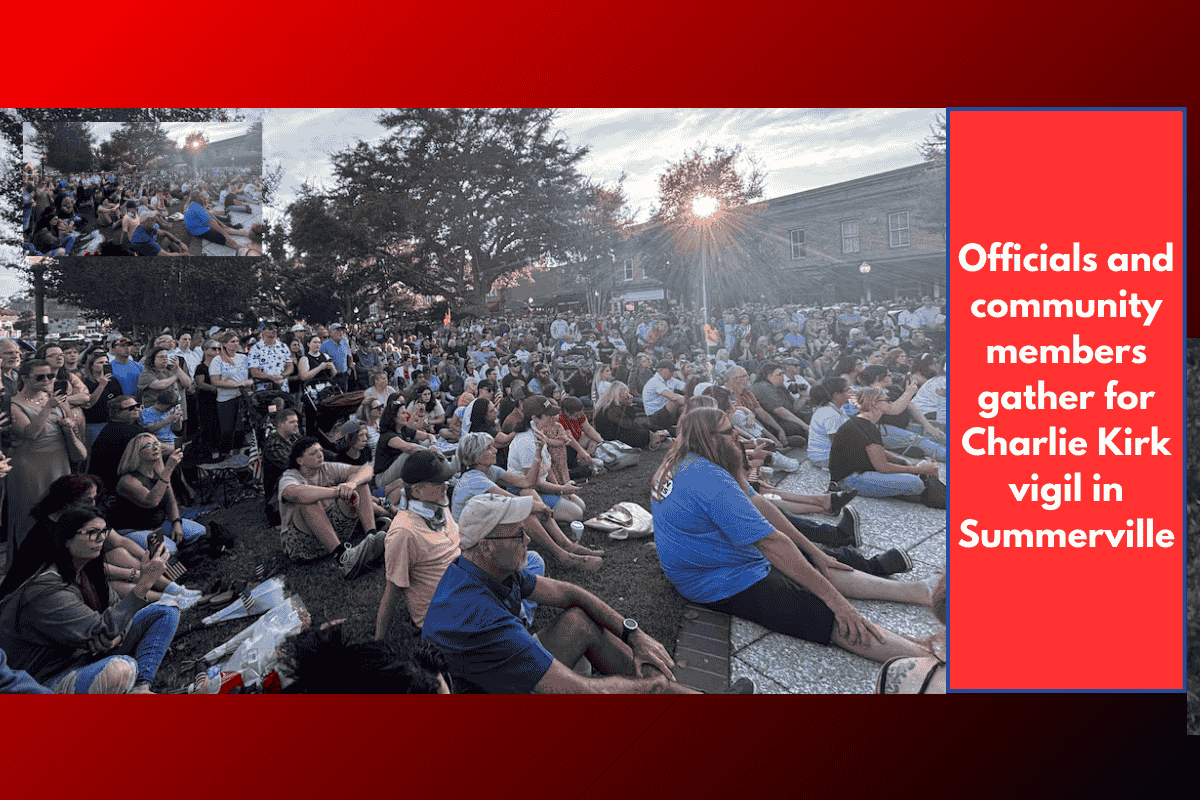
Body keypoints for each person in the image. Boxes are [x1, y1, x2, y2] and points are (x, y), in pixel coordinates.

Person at [650, 408, 936, 665]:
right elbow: (772, 543)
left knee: (819, 565)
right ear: (709, 438)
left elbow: (760, 504)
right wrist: (839, 604)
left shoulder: (684, 459)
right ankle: (928, 660)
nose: (737, 435)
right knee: (828, 616)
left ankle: (920, 592)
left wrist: (817, 553)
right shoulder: (707, 477)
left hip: (720, 559)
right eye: (729, 431)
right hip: (715, 580)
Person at [422, 494, 696, 694]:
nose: (528, 540)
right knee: (641, 689)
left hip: (496, 676)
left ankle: (674, 690)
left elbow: (567, 593)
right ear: (486, 547)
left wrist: (634, 635)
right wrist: (654, 687)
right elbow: (584, 693)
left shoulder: (484, 566)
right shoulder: (477, 615)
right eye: (519, 535)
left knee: (578, 621)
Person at [0, 506, 179, 693]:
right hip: (44, 680)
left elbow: (117, 613)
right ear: (66, 540)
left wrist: (114, 636)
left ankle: (142, 687)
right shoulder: (47, 592)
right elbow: (108, 626)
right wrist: (145, 583)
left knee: (167, 610)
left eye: (103, 531)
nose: (101, 538)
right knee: (121, 669)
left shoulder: (87, 572)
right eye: (93, 533)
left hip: (85, 656)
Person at [454, 432, 602, 571]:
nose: (495, 450)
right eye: (489, 448)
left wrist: (538, 454)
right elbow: (514, 502)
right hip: (470, 539)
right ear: (475, 456)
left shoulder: (490, 470)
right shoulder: (473, 479)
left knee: (527, 495)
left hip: (482, 525)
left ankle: (567, 546)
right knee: (524, 511)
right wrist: (541, 507)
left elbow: (527, 482)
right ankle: (563, 554)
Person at [373, 451, 466, 637]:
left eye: (445, 481)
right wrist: (378, 640)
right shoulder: (404, 533)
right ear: (416, 491)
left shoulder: (436, 505)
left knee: (532, 560)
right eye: (438, 483)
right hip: (444, 614)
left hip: (464, 590)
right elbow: (392, 591)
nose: (445, 486)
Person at [7, 360, 88, 558]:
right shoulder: (13, 404)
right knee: (33, 514)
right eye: (40, 377)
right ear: (24, 378)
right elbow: (30, 432)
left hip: (59, 460)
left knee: (61, 511)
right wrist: (47, 408)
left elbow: (72, 427)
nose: (46, 380)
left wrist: (68, 423)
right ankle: (28, 562)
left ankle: (57, 560)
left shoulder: (53, 397)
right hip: (31, 465)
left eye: (50, 376)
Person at [277, 436, 386, 578]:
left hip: (335, 533)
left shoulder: (327, 467)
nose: (320, 454)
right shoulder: (289, 477)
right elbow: (296, 493)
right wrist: (336, 492)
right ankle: (343, 559)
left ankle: (371, 539)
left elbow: (366, 470)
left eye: (320, 450)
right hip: (302, 546)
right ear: (300, 461)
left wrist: (350, 484)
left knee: (359, 482)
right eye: (313, 453)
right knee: (308, 498)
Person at [828, 387, 939, 499]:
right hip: (849, 481)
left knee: (910, 475)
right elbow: (882, 466)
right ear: (874, 403)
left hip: (855, 475)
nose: (890, 402)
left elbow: (877, 451)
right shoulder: (866, 426)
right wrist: (918, 470)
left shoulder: (862, 422)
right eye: (886, 400)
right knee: (915, 483)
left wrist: (902, 461)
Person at [111, 433, 206, 553]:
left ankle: (174, 550)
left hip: (157, 525)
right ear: (136, 452)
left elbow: (170, 501)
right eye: (148, 445)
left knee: (199, 531)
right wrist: (169, 468)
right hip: (134, 530)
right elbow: (152, 501)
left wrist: (176, 522)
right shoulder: (127, 480)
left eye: (156, 444)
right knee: (169, 549)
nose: (156, 447)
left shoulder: (158, 474)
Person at [507, 396, 586, 524]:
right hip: (524, 490)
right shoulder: (526, 442)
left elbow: (546, 468)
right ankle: (542, 519)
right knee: (577, 513)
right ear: (534, 418)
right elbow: (532, 482)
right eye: (547, 415)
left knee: (581, 506)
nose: (552, 418)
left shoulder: (538, 433)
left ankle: (554, 515)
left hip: (541, 486)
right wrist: (561, 490)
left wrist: (559, 489)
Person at [208, 332, 253, 458]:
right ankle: (225, 456)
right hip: (226, 399)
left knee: (241, 429)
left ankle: (238, 456)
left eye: (237, 341)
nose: (235, 344)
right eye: (232, 341)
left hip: (242, 397)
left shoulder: (243, 358)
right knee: (227, 430)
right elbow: (215, 381)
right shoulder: (217, 360)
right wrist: (237, 384)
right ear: (224, 344)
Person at [593, 381, 668, 450]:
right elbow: (629, 424)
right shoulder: (612, 408)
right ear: (620, 394)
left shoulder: (606, 405)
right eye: (626, 394)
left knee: (643, 426)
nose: (627, 396)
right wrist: (629, 405)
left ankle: (657, 435)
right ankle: (657, 437)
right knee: (642, 433)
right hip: (613, 439)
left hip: (610, 435)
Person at [248, 323, 294, 393]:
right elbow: (254, 372)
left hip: (283, 388)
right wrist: (272, 378)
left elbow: (290, 366)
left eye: (275, 328)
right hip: (263, 390)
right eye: (270, 328)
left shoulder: (283, 346)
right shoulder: (255, 349)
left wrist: (282, 375)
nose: (274, 330)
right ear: (262, 331)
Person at [321, 323, 355, 393]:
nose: (340, 332)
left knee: (344, 395)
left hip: (344, 375)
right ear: (331, 333)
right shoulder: (324, 345)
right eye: (337, 330)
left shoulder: (345, 343)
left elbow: (349, 356)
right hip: (332, 377)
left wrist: (350, 369)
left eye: (342, 330)